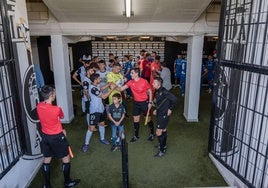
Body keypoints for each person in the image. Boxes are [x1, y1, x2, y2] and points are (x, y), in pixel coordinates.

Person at [36, 85, 80, 188]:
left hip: (45, 137)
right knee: (66, 158)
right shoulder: (57, 109)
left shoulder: (39, 106)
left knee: (47, 159)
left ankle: (47, 185)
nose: (55, 94)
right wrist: (62, 130)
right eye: (54, 93)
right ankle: (67, 182)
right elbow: (61, 116)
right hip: (57, 137)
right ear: (51, 95)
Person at [117, 68, 155, 142]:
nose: (130, 74)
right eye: (130, 73)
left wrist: (150, 102)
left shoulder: (144, 81)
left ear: (137, 73)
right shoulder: (130, 82)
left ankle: (152, 133)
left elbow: (150, 91)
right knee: (135, 120)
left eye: (132, 73)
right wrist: (114, 85)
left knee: (148, 119)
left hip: (144, 103)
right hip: (136, 103)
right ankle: (136, 135)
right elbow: (121, 89)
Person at [82, 73, 116, 153]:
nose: (100, 79)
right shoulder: (93, 89)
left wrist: (108, 84)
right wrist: (112, 89)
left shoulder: (95, 85)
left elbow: (100, 88)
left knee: (102, 124)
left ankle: (102, 138)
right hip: (94, 111)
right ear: (95, 80)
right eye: (99, 78)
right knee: (91, 128)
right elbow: (104, 96)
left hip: (100, 109)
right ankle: (86, 144)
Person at [152, 77, 177, 157]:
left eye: (154, 83)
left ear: (159, 84)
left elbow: (174, 99)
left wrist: (170, 109)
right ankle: (163, 145)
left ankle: (162, 150)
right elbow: (160, 103)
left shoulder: (164, 91)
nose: (153, 84)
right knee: (163, 129)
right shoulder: (157, 91)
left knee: (158, 132)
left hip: (163, 115)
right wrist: (156, 109)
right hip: (160, 113)